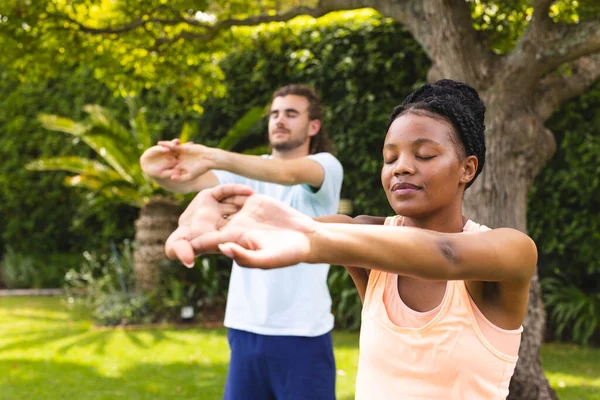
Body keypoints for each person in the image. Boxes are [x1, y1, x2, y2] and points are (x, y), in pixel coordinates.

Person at [167, 80, 538, 400]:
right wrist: (222, 220)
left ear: (467, 169)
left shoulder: (510, 251)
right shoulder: (366, 239)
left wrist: (313, 239)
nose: (401, 167)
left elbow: (447, 254)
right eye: (390, 158)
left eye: (424, 154)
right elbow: (273, 227)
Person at [140, 84, 343, 400]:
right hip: (245, 330)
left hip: (302, 333)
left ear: (313, 126)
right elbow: (185, 180)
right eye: (274, 113)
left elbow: (287, 173)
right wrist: (155, 169)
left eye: (291, 113)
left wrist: (211, 156)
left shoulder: (326, 167)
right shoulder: (245, 172)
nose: (279, 120)